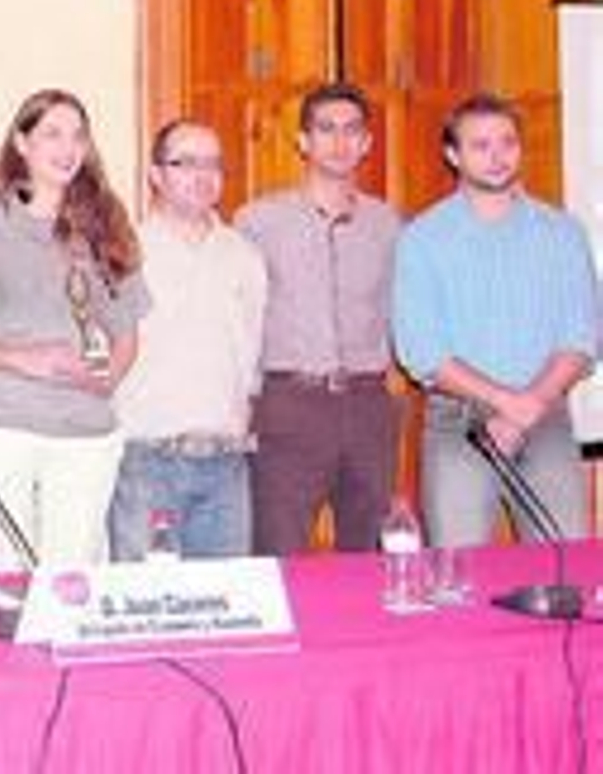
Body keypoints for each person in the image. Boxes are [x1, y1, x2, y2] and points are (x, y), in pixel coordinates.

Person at [0, 89, 149, 569]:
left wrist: (107, 379)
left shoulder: (106, 222)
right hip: (5, 428)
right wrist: (22, 359)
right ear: (21, 142)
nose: (67, 147)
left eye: (78, 135)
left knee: (74, 588)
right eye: (52, 133)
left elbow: (128, 334)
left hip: (87, 436)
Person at [394, 93, 599, 546]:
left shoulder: (562, 233)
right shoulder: (423, 239)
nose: (497, 157)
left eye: (507, 143)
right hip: (458, 427)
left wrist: (527, 408)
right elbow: (423, 352)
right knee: (457, 579)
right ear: (453, 155)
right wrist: (508, 404)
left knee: (568, 572)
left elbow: (582, 337)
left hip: (546, 419)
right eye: (481, 145)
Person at [235, 82, 402, 555]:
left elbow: (396, 312)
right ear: (303, 141)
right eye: (326, 129)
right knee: (276, 551)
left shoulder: (387, 224)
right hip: (289, 403)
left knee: (372, 556)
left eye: (352, 130)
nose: (340, 142)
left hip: (368, 405)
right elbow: (240, 321)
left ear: (367, 143)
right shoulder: (257, 222)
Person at [109, 120, 265, 561]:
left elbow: (249, 357)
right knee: (147, 611)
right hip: (147, 462)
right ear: (155, 175)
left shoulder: (244, 254)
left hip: (226, 464)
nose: (203, 175)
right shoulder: (123, 251)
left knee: (224, 610)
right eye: (186, 163)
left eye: (214, 164)